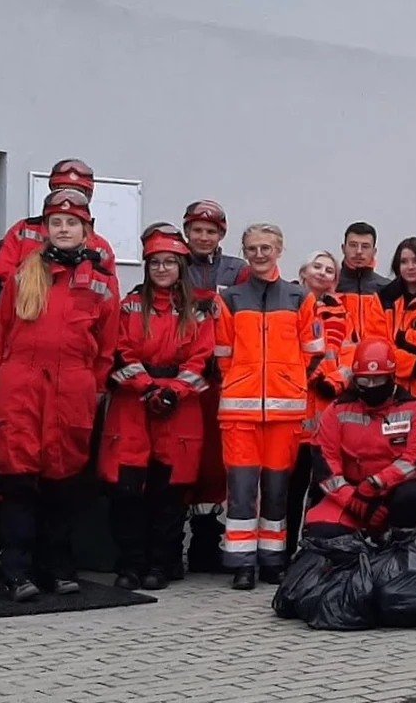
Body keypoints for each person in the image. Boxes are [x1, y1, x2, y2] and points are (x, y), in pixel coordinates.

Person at [0, 158, 117, 585]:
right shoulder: (22, 258)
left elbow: (106, 341)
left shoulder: (99, 268)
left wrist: (90, 389)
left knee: (60, 482)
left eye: (73, 214)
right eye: (57, 216)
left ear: (87, 217)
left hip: (68, 389)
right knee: (8, 477)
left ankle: (54, 568)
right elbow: (0, 320)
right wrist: (0, 386)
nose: (64, 224)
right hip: (21, 386)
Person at [99, 223, 215, 591]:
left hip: (179, 412)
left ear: (181, 267)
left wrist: (175, 392)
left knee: (169, 493)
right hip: (132, 408)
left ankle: (161, 564)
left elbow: (204, 360)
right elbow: (120, 352)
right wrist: (149, 388)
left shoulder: (198, 311)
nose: (162, 269)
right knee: (128, 492)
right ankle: (130, 565)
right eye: (155, 263)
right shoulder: (131, 305)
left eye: (169, 262)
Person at [213, 223, 325, 589]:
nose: (259, 255)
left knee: (277, 491)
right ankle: (242, 564)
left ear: (279, 249)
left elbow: (313, 353)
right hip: (239, 413)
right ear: (244, 252)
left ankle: (273, 561)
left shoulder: (299, 298)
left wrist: (288, 382)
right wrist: (241, 383)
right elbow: (223, 355)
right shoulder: (229, 299)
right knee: (242, 491)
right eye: (252, 248)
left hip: (285, 413)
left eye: (266, 248)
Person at [304, 338, 416, 539]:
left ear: (392, 377)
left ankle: (399, 548)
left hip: (395, 493)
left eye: (379, 380)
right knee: (321, 531)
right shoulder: (336, 411)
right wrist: (353, 500)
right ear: (355, 379)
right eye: (365, 381)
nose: (372, 386)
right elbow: (326, 463)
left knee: (413, 497)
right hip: (352, 495)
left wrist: (377, 484)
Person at [181, 199, 249, 575]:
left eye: (211, 231)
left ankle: (208, 540)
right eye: (197, 230)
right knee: (184, 455)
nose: (203, 237)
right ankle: (173, 543)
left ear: (221, 234)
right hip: (184, 375)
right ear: (187, 231)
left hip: (223, 377)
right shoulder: (173, 263)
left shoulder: (237, 270)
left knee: (216, 461)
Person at [285, 250, 354, 556]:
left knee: (321, 488)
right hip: (293, 408)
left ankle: (312, 550)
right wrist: (311, 379)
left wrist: (335, 381)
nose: (323, 272)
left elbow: (351, 355)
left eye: (329, 269)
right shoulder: (286, 304)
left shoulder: (341, 313)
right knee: (289, 489)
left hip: (327, 411)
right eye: (317, 266)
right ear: (303, 271)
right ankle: (283, 552)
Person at [380, 237, 416, 406]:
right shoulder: (383, 298)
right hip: (393, 393)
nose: (410, 267)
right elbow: (380, 346)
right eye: (404, 262)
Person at [336, 221, 391, 342]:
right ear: (343, 248)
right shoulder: (330, 285)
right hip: (337, 358)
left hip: (377, 357)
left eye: (365, 246)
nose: (359, 252)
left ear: (374, 251)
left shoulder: (387, 288)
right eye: (353, 245)